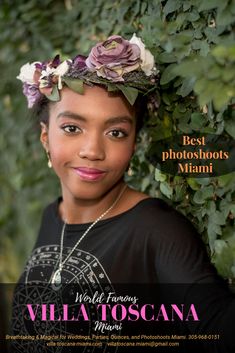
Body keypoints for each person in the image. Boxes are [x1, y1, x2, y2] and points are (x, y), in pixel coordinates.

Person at [11, 34, 235, 353]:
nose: (92, 151)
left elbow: (216, 322)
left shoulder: (155, 229)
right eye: (73, 128)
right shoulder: (53, 215)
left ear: (133, 145)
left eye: (115, 133)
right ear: (46, 138)